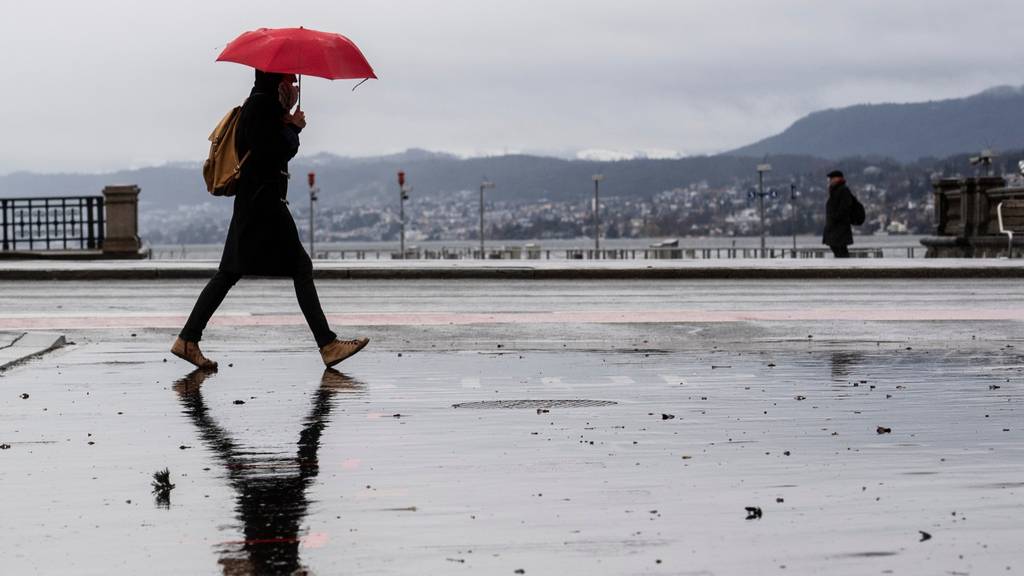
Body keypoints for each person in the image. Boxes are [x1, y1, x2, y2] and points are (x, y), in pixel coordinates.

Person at [172, 70, 368, 370]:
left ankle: (188, 339)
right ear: (276, 81)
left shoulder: (260, 105)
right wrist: (294, 128)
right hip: (264, 203)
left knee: (228, 273)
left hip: (254, 202)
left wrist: (286, 119)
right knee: (300, 267)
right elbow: (273, 152)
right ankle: (328, 345)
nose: (294, 85)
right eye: (289, 80)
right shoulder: (262, 107)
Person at [823, 170, 854, 258]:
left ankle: (845, 267)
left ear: (837, 179)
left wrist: (835, 217)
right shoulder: (835, 190)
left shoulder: (843, 190)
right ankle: (843, 266)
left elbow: (845, 207)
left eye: (831, 178)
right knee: (836, 247)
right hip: (835, 226)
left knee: (840, 248)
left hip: (839, 226)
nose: (830, 181)